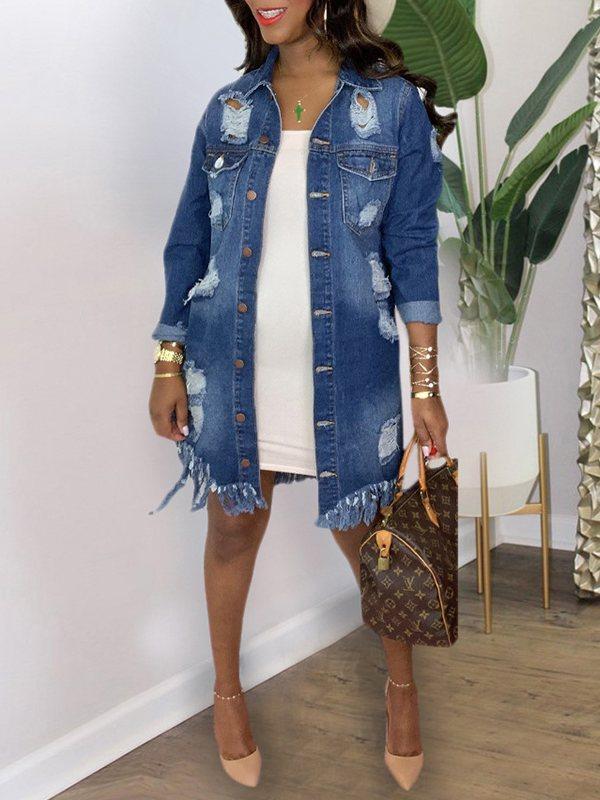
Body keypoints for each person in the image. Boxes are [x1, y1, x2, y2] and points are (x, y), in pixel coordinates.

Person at [149, 0, 455, 790]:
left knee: (370, 540)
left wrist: (424, 385)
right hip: (230, 366)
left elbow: (413, 246)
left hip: (350, 371)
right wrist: (167, 362)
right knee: (231, 530)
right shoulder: (228, 111)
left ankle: (401, 690)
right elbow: (189, 242)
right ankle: (226, 695)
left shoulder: (390, 106)